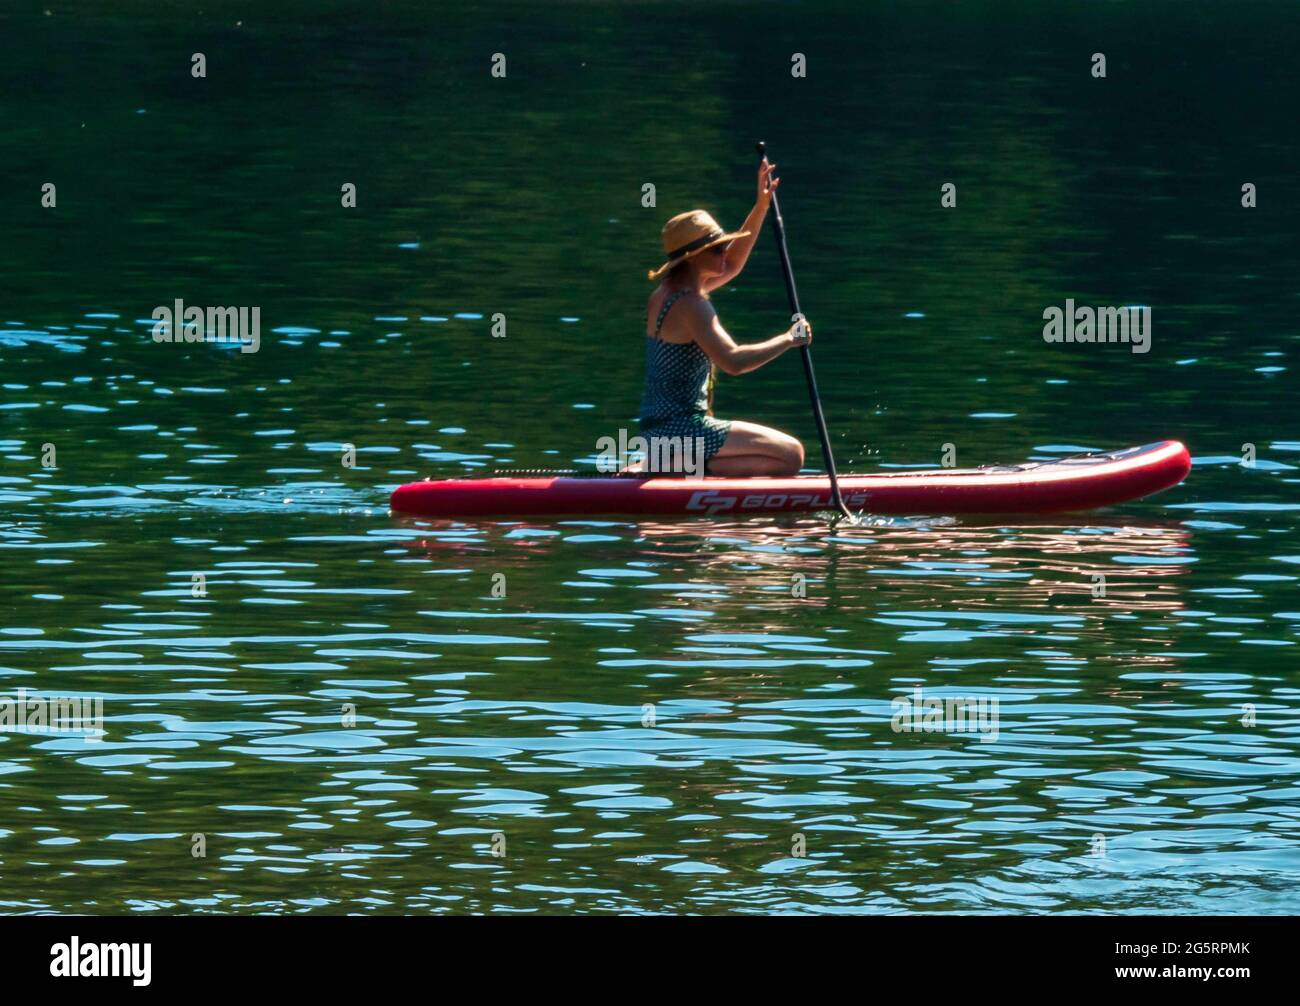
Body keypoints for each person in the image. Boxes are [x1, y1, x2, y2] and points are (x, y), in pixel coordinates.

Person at [637, 159, 812, 477]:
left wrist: (760, 207)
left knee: (782, 457)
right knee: (791, 454)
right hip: (681, 430)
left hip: (657, 432)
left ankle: (676, 467)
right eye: (717, 249)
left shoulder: (665, 294)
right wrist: (789, 339)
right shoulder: (692, 305)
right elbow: (734, 362)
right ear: (694, 258)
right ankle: (676, 467)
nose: (725, 252)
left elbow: (732, 265)